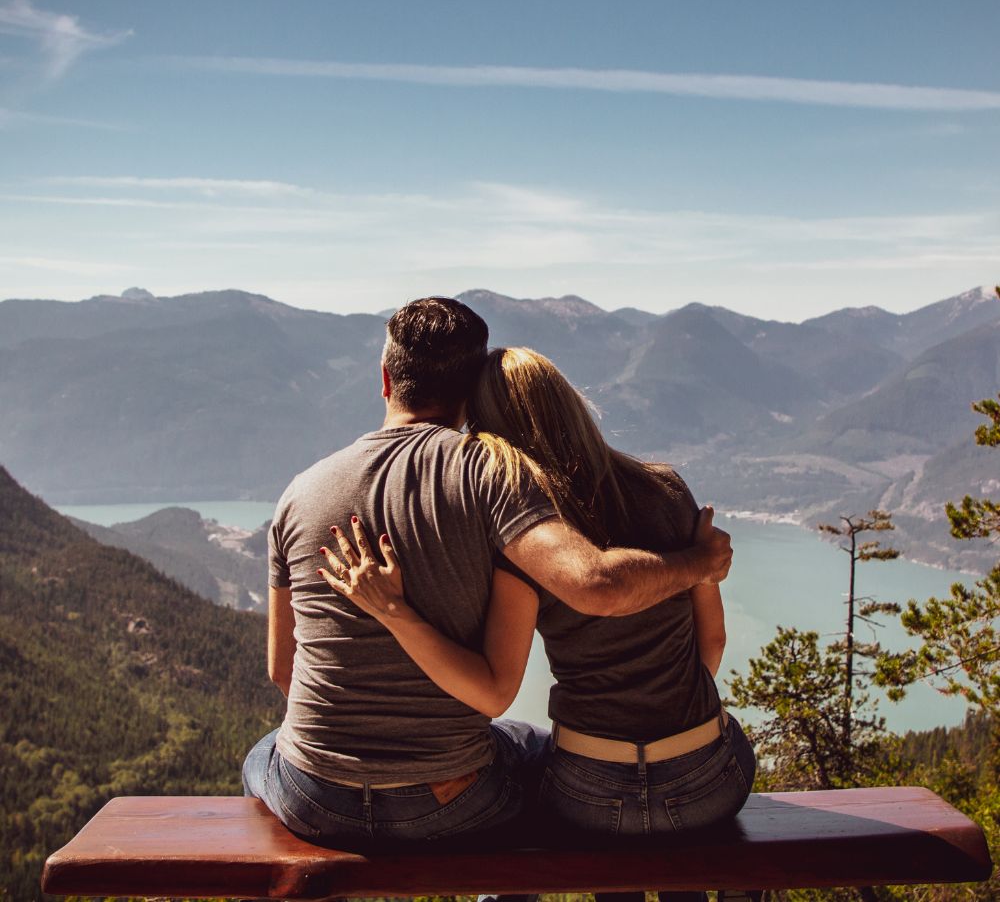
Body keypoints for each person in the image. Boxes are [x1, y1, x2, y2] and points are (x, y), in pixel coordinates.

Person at [245, 300, 734, 851]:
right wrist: (700, 564)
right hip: (450, 799)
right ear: (471, 389)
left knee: (262, 754)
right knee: (527, 748)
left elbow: (284, 672)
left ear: (385, 379)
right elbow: (592, 593)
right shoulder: (493, 476)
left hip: (315, 796)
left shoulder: (298, 493)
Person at [320, 345, 754, 899]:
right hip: (705, 780)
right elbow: (710, 646)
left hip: (591, 786)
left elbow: (498, 680)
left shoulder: (528, 540)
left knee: (526, 767)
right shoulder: (667, 490)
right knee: (709, 772)